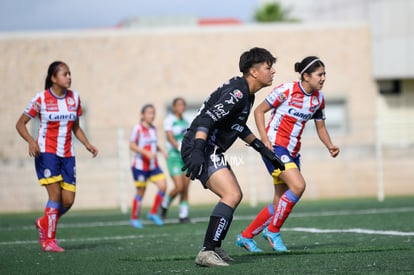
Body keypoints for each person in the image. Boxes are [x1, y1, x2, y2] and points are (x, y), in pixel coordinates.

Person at [181, 47, 285, 267]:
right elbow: (206, 120)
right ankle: (207, 251)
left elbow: (237, 127)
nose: (273, 71)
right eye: (268, 67)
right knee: (231, 194)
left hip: (209, 147)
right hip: (201, 145)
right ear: (253, 72)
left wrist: (262, 149)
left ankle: (214, 247)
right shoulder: (238, 93)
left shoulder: (247, 94)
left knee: (234, 195)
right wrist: (198, 150)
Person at [236, 56, 340, 253]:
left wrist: (330, 145)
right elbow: (259, 111)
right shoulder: (287, 90)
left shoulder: (319, 99)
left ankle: (246, 236)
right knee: (298, 185)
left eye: (325, 74)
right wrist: (264, 140)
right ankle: (273, 231)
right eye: (320, 74)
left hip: (292, 152)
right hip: (275, 148)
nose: (323, 78)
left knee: (279, 202)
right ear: (306, 76)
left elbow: (321, 128)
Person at [16, 61, 98, 252]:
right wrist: (30, 140)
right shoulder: (41, 99)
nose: (69, 77)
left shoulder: (74, 98)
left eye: (70, 73)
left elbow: (76, 127)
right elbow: (20, 124)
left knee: (68, 201)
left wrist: (87, 144)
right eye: (64, 74)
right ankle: (48, 241)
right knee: (54, 195)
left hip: (68, 154)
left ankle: (44, 222)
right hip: (46, 153)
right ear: (53, 78)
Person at [129, 104, 168, 228]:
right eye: (149, 113)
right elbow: (132, 145)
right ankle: (134, 218)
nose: (152, 115)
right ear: (143, 115)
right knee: (141, 192)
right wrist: (145, 152)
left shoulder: (154, 128)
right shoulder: (138, 128)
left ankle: (152, 213)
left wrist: (161, 150)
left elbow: (153, 144)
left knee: (163, 186)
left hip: (153, 166)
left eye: (153, 113)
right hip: (140, 166)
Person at [161, 97, 191, 223]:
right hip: (174, 156)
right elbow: (170, 137)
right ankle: (164, 205)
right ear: (174, 107)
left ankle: (183, 215)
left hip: (185, 156)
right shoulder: (169, 120)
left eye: (183, 105)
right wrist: (179, 147)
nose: (181, 107)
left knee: (185, 187)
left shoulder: (186, 121)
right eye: (179, 105)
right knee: (179, 186)